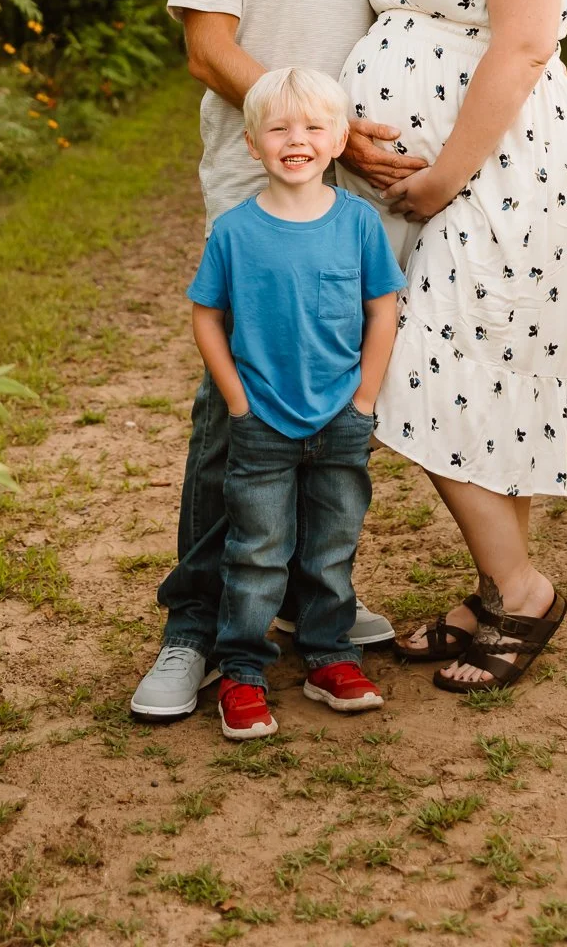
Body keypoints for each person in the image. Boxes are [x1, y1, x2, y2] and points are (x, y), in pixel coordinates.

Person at [132, 0, 422, 723]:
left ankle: (311, 603)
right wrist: (314, 126)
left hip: (354, 184)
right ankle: (193, 627)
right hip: (260, 175)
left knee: (333, 393)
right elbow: (208, 44)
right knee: (237, 411)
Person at [338, 0, 567, 693]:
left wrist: (442, 172)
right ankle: (495, 592)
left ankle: (525, 592)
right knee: (486, 371)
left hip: (508, 169)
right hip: (427, 180)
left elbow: (524, 44)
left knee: (419, 362)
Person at [188, 66, 404, 739]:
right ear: (252, 144)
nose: (296, 140)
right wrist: (238, 404)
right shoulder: (234, 231)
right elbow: (205, 317)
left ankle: (328, 653)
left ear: (340, 139)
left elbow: (382, 308)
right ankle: (242, 671)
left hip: (341, 417)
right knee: (256, 552)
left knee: (331, 546)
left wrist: (364, 397)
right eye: (278, 128)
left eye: (313, 127)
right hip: (260, 422)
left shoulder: (358, 224)